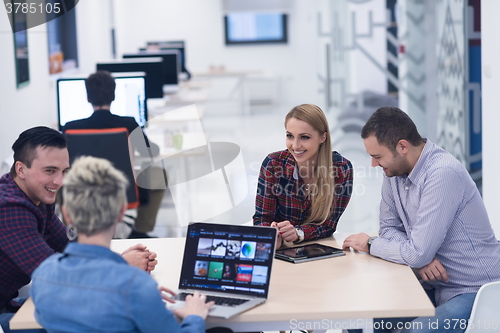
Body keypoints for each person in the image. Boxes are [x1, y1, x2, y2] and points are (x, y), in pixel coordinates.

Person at [342, 106, 500, 333]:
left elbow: (413, 250)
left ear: (402, 146)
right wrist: (420, 258)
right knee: (357, 324)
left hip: (476, 290)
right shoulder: (394, 171)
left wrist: (371, 244)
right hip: (434, 286)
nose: (373, 165)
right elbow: (389, 228)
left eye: (377, 157)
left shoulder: (442, 173)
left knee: (415, 332)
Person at [31, 156, 214, 333]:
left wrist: (140, 299)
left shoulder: (43, 277)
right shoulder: (137, 287)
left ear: (67, 214)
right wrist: (194, 316)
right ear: (121, 213)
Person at [0, 127, 157, 333]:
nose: (60, 181)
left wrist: (115, 258)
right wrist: (121, 266)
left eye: (64, 171)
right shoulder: (10, 208)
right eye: (50, 171)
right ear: (20, 169)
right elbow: (56, 278)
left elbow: (69, 244)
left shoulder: (37, 194)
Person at [63, 70, 165, 237]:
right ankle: (140, 229)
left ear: (88, 97)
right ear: (114, 96)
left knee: (62, 179)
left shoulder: (70, 127)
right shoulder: (128, 123)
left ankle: (69, 229)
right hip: (122, 189)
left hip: (83, 189)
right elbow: (150, 151)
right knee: (160, 175)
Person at [253, 104, 353, 249]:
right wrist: (270, 233)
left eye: (304, 137)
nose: (295, 145)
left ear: (322, 137)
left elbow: (328, 225)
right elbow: (261, 218)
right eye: (290, 136)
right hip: (281, 251)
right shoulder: (273, 164)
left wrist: (298, 233)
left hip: (317, 250)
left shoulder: (341, 169)